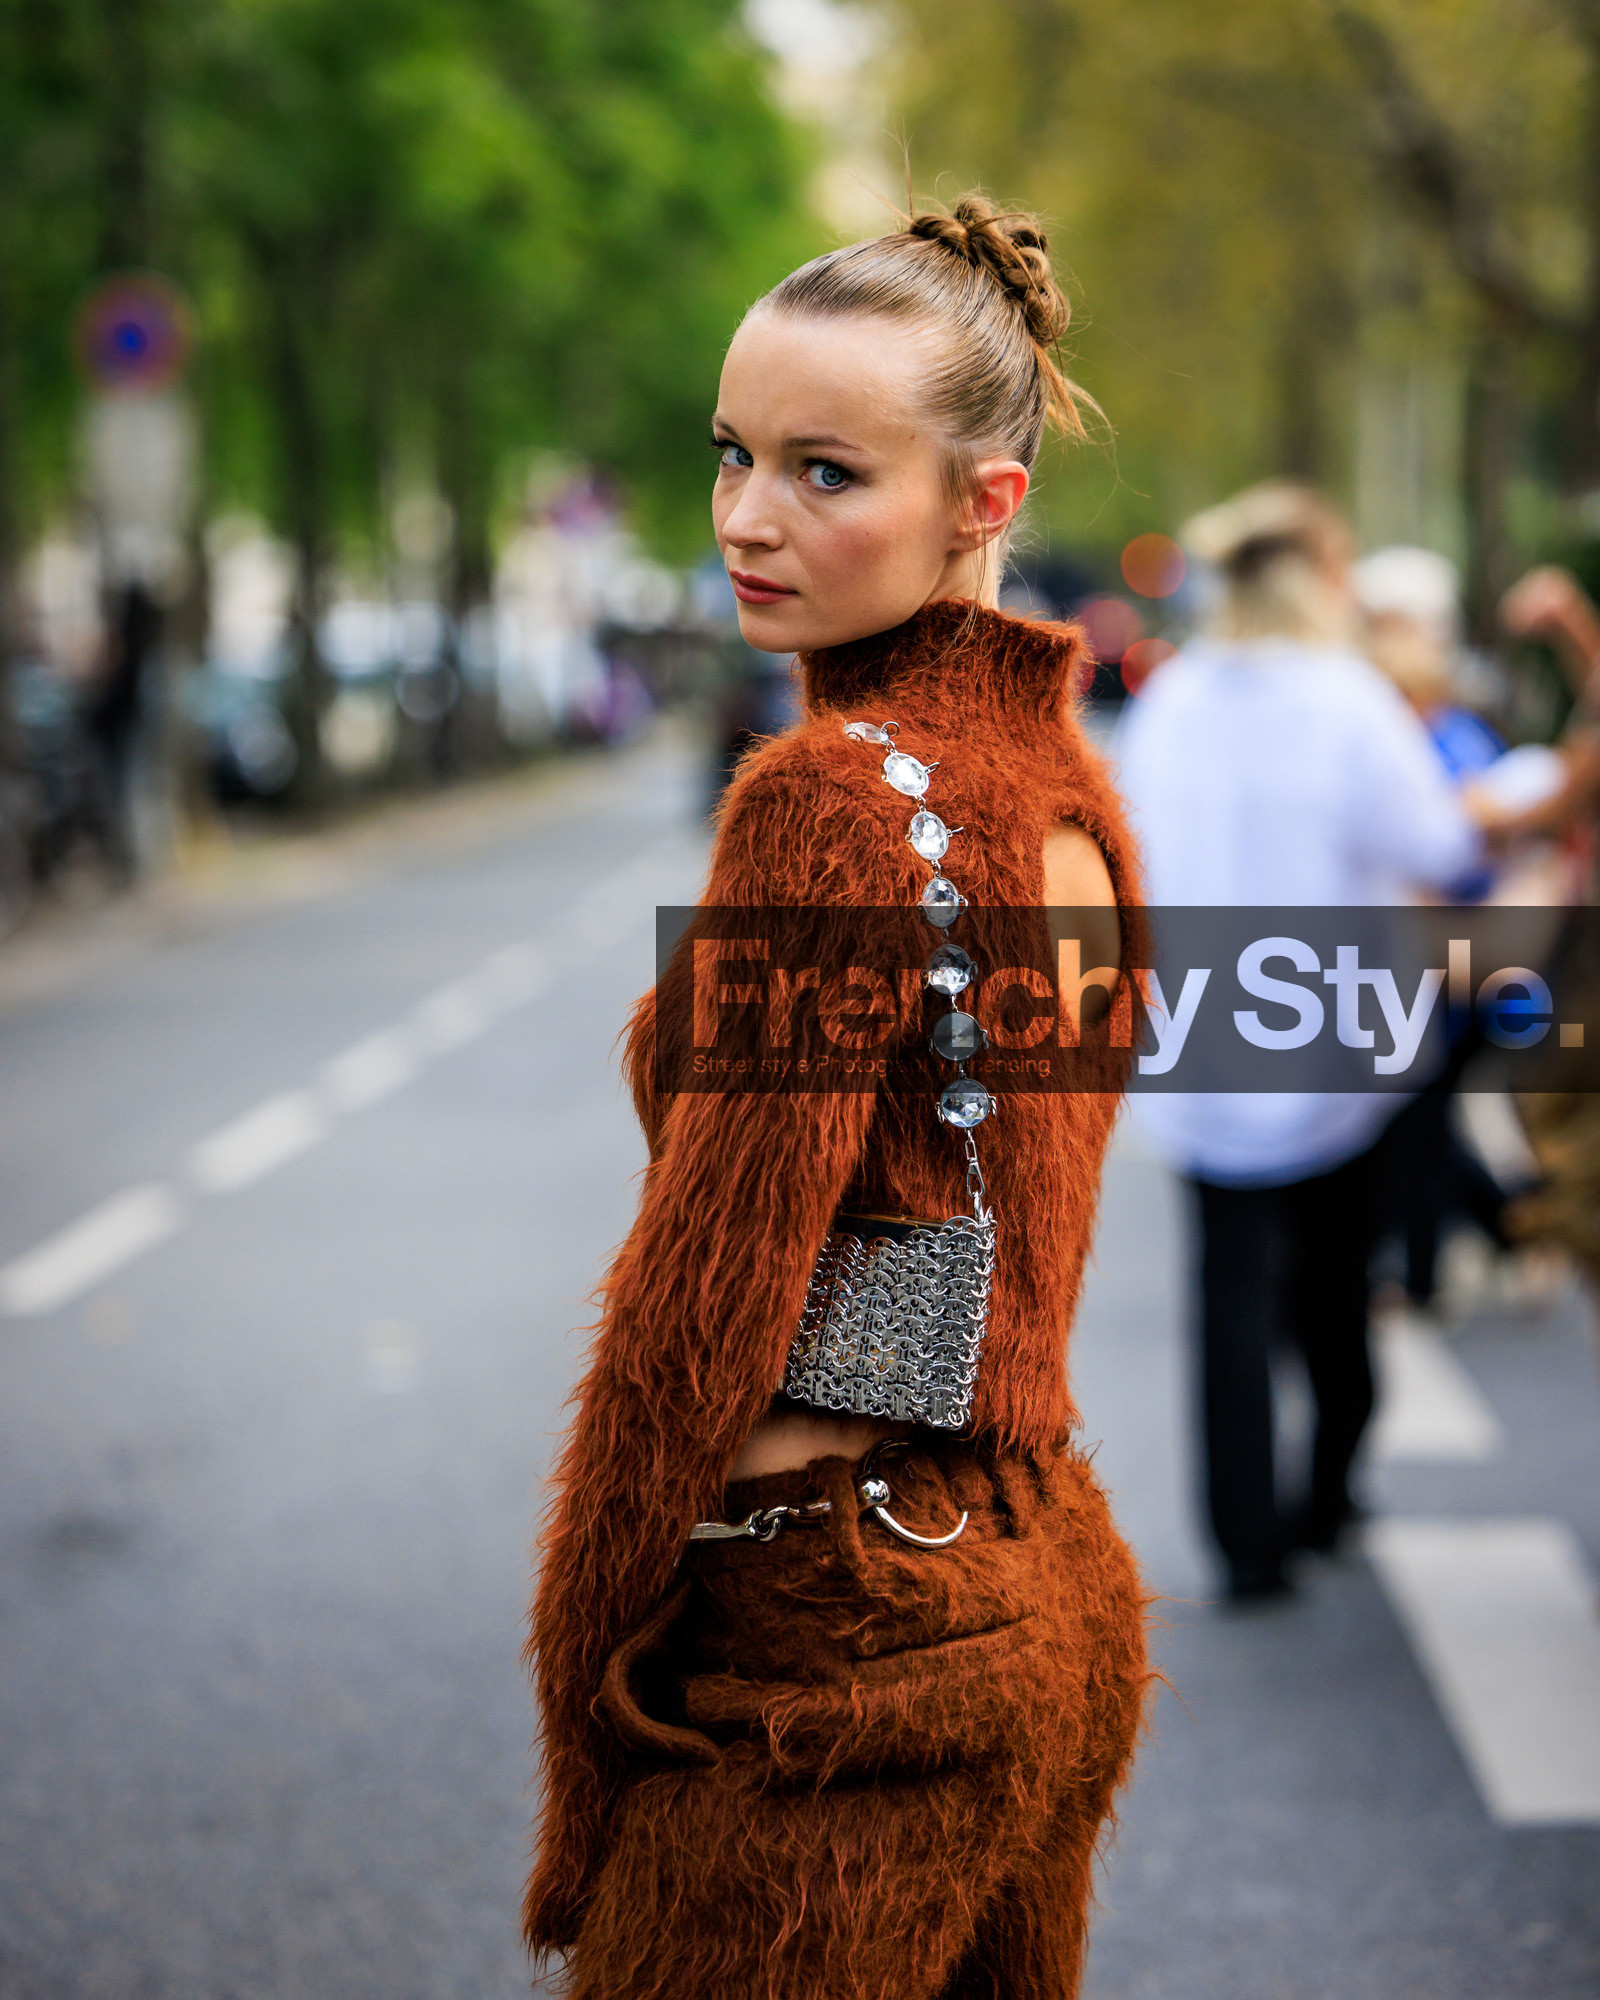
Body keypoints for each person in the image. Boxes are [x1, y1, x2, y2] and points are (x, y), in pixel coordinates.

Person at [524, 193, 1151, 1999]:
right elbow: (1007, 1236)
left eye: (823, 472)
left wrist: (586, 1712)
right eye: (731, 455)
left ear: (986, 503)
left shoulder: (832, 803)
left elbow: (695, 1317)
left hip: (839, 1650)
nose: (745, 517)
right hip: (1041, 1591)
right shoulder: (1066, 801)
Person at [1115, 482, 1484, 1601]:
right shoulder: (1347, 698)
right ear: (1323, 579)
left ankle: (1243, 1539)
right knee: (1334, 1287)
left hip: (1203, 1039)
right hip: (1336, 1040)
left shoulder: (1170, 698)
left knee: (1226, 1293)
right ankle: (1326, 1490)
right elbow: (1437, 840)